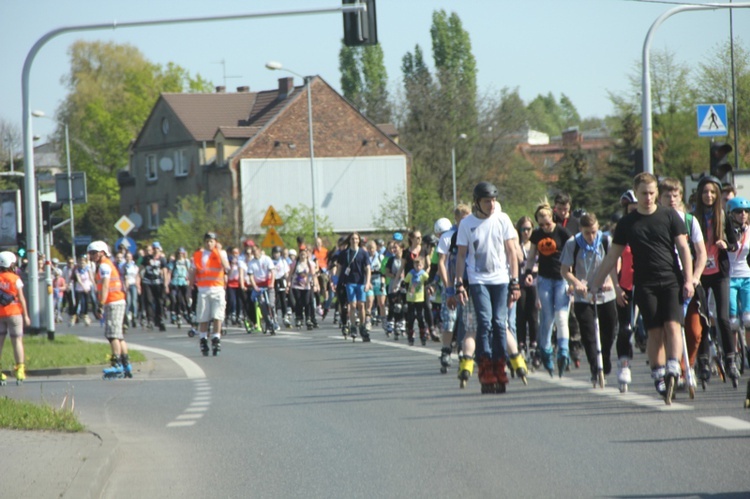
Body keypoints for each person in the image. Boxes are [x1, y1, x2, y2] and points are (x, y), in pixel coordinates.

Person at [589, 173, 694, 403]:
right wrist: (595, 283)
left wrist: (688, 279)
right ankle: (658, 373)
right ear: (635, 194)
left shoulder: (669, 216)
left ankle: (674, 368)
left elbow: (684, 249)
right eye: (643, 193)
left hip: (671, 279)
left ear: (656, 192)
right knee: (655, 330)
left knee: (673, 325)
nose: (648, 197)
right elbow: (612, 256)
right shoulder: (627, 223)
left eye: (651, 193)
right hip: (645, 283)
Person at [455, 181, 525, 394]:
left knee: (499, 322)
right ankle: (485, 368)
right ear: (477, 202)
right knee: (485, 322)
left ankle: (499, 365)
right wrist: (459, 283)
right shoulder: (467, 224)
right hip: (478, 280)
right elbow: (460, 255)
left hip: (501, 279)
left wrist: (515, 281)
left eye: (493, 200)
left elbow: (512, 252)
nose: (491, 204)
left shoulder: (502, 219)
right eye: (487, 201)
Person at [658, 178, 707, 392]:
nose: (671, 199)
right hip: (666, 280)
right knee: (671, 328)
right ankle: (676, 369)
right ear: (660, 198)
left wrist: (694, 277)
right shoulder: (656, 221)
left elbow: (701, 253)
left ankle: (690, 365)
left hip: (689, 281)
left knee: (695, 332)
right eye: (667, 196)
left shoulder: (689, 221)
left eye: (675, 196)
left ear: (680, 197)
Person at [560, 213, 619, 386]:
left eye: (593, 232)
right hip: (584, 295)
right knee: (588, 333)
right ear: (581, 230)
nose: (591, 237)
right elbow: (565, 270)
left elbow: (616, 261)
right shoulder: (573, 244)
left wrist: (609, 279)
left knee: (609, 330)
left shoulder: (606, 241)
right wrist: (576, 283)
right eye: (587, 233)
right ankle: (595, 367)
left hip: (605, 293)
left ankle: (605, 358)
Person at [693, 175, 740, 387]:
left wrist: (726, 245)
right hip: (700, 274)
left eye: (712, 192)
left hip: (720, 273)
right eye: (705, 192)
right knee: (703, 318)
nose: (709, 196)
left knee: (723, 318)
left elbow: (734, 242)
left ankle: (730, 358)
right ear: (699, 194)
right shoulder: (693, 218)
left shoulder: (723, 216)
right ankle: (703, 361)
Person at [525, 199, 573, 377]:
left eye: (547, 223)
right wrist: (528, 272)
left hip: (561, 278)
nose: (545, 227)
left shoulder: (562, 232)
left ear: (552, 217)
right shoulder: (537, 235)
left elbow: (572, 254)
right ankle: (545, 352)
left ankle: (563, 351)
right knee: (547, 317)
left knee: (561, 316)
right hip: (544, 279)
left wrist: (572, 280)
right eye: (541, 223)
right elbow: (531, 256)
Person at [88, 241, 132, 379]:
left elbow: (106, 286)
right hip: (116, 300)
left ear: (102, 252)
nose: (91, 256)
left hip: (113, 301)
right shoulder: (105, 264)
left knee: (112, 334)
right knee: (119, 335)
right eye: (90, 253)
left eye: (94, 253)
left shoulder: (104, 266)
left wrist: (100, 304)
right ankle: (126, 364)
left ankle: (117, 364)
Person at [189, 232, 230, 356]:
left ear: (215, 242)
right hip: (203, 290)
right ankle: (203, 339)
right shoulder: (198, 255)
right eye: (207, 241)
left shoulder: (221, 253)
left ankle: (216, 338)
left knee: (218, 316)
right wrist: (190, 287)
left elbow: (226, 267)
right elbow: (193, 271)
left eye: (211, 241)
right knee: (203, 317)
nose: (209, 243)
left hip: (217, 289)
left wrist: (218, 252)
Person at [333, 232, 371, 341]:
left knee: (361, 305)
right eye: (352, 239)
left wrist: (368, 282)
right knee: (353, 305)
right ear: (349, 240)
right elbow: (339, 268)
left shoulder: (363, 253)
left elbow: (368, 269)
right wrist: (335, 281)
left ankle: (362, 326)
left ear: (359, 240)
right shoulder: (345, 253)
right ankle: (353, 326)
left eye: (356, 239)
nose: (354, 241)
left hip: (360, 282)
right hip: (349, 282)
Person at [727, 196, 750, 371]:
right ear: (731, 214)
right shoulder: (725, 231)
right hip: (729, 277)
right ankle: (733, 354)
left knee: (748, 319)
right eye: (738, 212)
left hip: (747, 277)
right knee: (733, 321)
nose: (743, 214)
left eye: (746, 211)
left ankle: (748, 351)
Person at [0, 251, 30, 385]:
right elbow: (22, 298)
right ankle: (20, 369)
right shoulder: (15, 278)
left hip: (0, 314)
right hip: (14, 313)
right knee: (17, 341)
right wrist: (26, 315)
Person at [141, 241, 169, 331]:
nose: (155, 250)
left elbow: (165, 271)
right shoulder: (146, 258)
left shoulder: (162, 259)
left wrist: (165, 283)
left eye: (157, 248)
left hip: (158, 282)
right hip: (147, 282)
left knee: (159, 302)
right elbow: (140, 269)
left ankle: (159, 319)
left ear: (159, 249)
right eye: (154, 248)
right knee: (149, 301)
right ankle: (150, 320)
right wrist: (138, 280)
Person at [403, 255, 431, 346]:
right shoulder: (411, 273)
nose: (417, 268)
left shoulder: (423, 274)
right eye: (416, 266)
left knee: (420, 317)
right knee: (411, 317)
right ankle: (410, 335)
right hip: (411, 298)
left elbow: (428, 280)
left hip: (420, 298)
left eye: (419, 266)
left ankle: (422, 335)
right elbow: (406, 281)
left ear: (422, 266)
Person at [289, 246, 318, 329]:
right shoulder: (295, 263)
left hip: (307, 286)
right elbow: (290, 274)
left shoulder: (310, 264)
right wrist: (288, 283)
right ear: (299, 255)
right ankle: (299, 317)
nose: (302, 256)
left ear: (307, 255)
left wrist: (315, 285)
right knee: (298, 302)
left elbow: (313, 275)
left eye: (304, 255)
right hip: (296, 286)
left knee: (307, 302)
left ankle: (308, 318)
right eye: (301, 254)